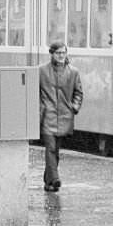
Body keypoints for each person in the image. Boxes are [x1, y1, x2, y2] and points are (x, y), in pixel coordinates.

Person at [39, 41, 83, 192]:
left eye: (63, 53)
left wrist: (74, 107)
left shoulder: (73, 72)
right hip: (48, 116)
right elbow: (35, 92)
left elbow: (78, 92)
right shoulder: (42, 71)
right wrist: (40, 108)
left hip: (65, 116)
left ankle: (48, 181)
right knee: (50, 147)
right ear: (51, 54)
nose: (61, 56)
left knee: (56, 150)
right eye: (58, 53)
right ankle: (55, 178)